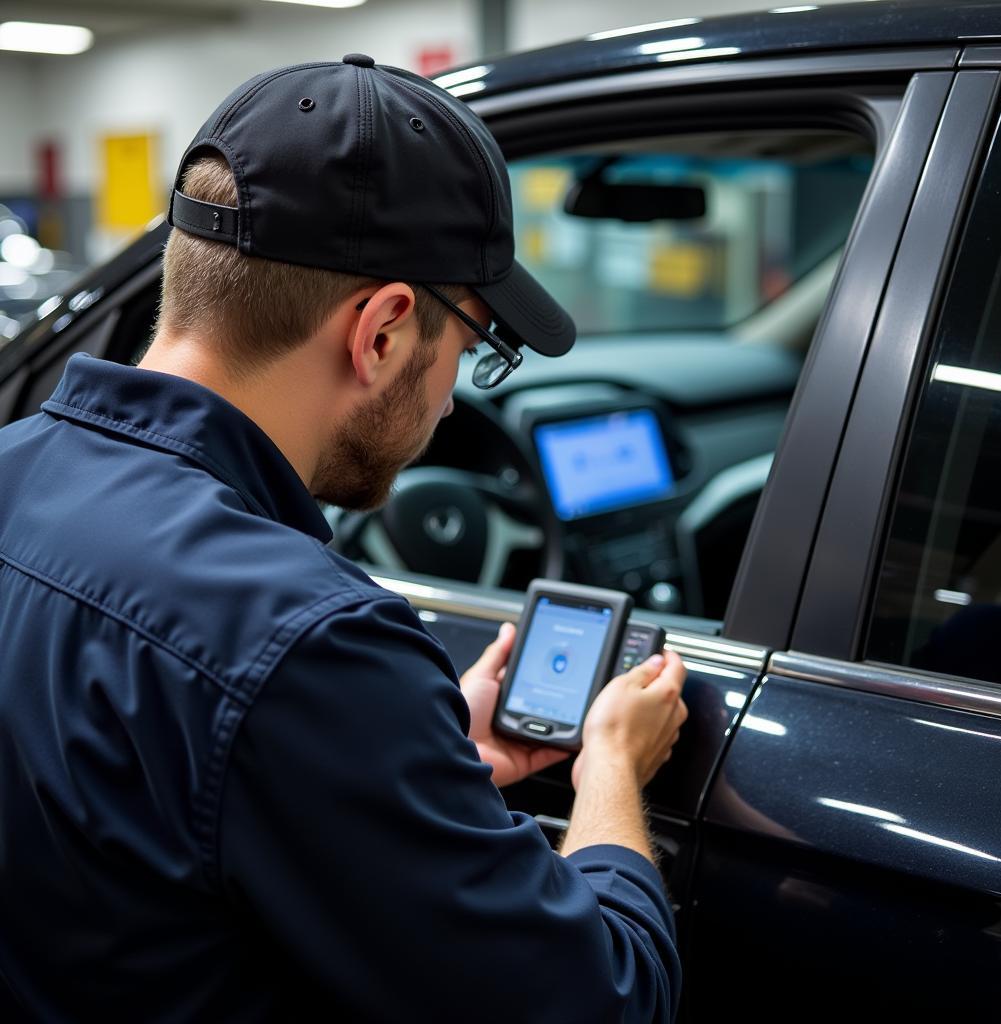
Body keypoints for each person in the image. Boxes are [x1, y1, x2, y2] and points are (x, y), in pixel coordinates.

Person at [0, 56, 687, 1022]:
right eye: (472, 349)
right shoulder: (310, 641)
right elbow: (602, 1003)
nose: (450, 401)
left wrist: (422, 756)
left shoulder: (13, 468)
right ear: (384, 331)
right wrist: (609, 770)